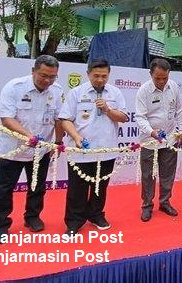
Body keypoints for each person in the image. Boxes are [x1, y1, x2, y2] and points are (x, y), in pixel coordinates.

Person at [0, 55, 64, 236]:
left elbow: (58, 119)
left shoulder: (56, 91)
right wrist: (29, 137)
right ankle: (1, 224)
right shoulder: (14, 87)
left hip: (41, 151)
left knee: (37, 187)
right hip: (13, 149)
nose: (47, 80)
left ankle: (32, 217)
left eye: (52, 76)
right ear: (33, 71)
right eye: (43, 75)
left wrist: (58, 142)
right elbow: (6, 118)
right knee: (4, 189)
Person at [59, 59, 128, 235]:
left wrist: (107, 109)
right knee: (77, 188)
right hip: (81, 149)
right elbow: (65, 119)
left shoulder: (115, 93)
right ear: (88, 73)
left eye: (104, 76)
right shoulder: (76, 93)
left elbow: (123, 117)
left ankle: (96, 214)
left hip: (106, 150)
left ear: (109, 75)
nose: (100, 79)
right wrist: (75, 136)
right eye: (96, 76)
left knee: (101, 187)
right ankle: (74, 221)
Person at [135, 58, 182, 222]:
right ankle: (147, 205)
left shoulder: (174, 87)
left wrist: (180, 131)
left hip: (170, 139)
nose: (162, 82)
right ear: (151, 75)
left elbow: (179, 111)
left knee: (168, 174)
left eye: (165, 78)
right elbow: (140, 117)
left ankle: (165, 202)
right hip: (150, 141)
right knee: (148, 175)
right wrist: (151, 132)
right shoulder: (143, 91)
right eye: (158, 78)